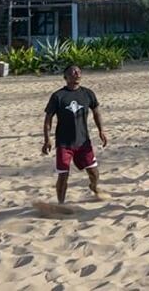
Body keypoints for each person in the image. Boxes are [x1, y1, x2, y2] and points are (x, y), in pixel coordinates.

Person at [42, 65, 108, 204]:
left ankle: (93, 187)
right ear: (66, 77)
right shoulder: (58, 96)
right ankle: (61, 203)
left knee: (94, 173)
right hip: (64, 143)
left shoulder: (88, 93)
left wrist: (101, 130)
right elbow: (48, 119)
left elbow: (96, 113)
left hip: (83, 141)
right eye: (73, 72)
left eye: (79, 71)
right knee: (63, 175)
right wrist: (47, 140)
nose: (77, 74)